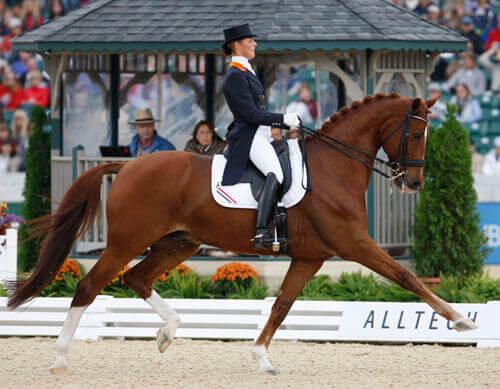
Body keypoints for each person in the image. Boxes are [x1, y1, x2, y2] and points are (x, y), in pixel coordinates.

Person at [220, 23, 300, 249]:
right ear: (236, 45)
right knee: (275, 173)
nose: (254, 43)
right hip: (250, 135)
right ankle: (262, 231)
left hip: (261, 132)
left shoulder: (245, 70)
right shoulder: (235, 75)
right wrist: (282, 119)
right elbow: (251, 114)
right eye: (249, 41)